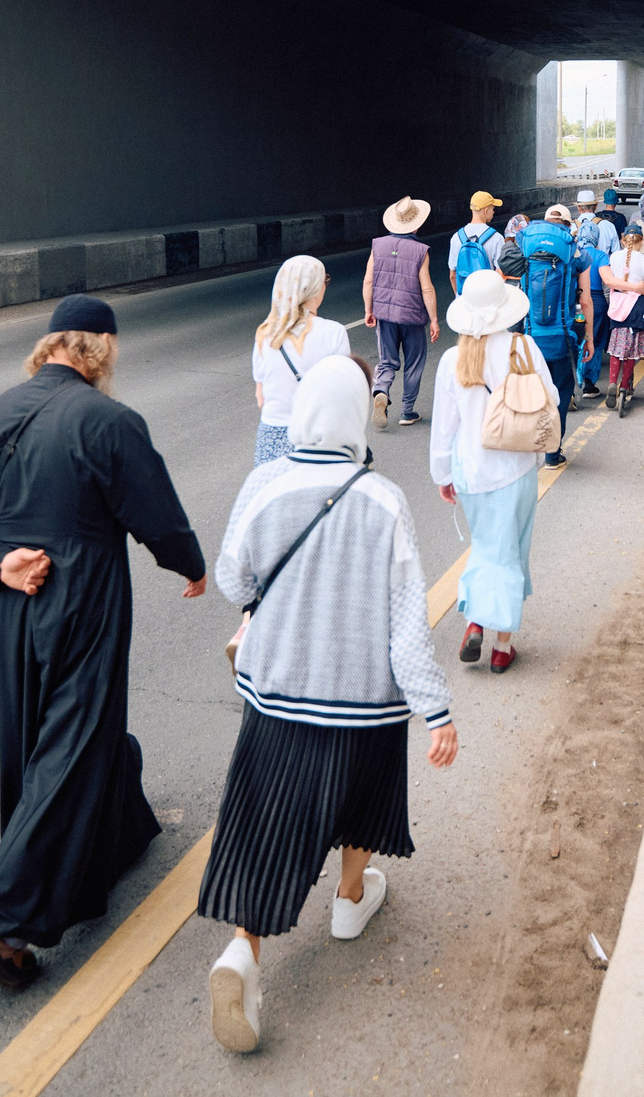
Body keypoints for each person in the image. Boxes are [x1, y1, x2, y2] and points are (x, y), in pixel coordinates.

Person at [0, 295, 209, 990]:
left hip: (16, 599)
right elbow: (158, 518)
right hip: (85, 595)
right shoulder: (108, 421)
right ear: (99, 348)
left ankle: (117, 835)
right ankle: (2, 926)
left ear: (48, 348)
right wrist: (191, 566)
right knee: (70, 743)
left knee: (41, 733)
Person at [200, 359, 456, 1054]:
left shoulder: (264, 482)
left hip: (277, 692)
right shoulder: (383, 500)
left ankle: (244, 950)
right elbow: (407, 622)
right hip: (360, 700)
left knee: (267, 820)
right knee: (361, 793)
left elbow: (232, 580)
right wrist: (435, 710)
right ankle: (349, 898)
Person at [427, 269, 545, 672]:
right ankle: (501, 647)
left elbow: (445, 426)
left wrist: (443, 475)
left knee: (486, 546)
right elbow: (548, 399)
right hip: (516, 466)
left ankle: (475, 620)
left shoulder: (452, 359)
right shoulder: (524, 348)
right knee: (511, 551)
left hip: (471, 470)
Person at [500, 203, 588, 465]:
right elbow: (585, 301)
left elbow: (505, 278)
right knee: (561, 391)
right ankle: (552, 452)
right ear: (568, 224)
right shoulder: (574, 250)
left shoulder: (525, 244)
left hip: (530, 335)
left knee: (531, 389)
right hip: (561, 336)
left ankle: (528, 446)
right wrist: (590, 338)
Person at [252, 255, 352, 464]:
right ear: (315, 287)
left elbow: (261, 399)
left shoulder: (265, 334)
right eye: (324, 281)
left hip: (272, 437)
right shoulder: (334, 333)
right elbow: (343, 396)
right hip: (318, 437)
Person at [362, 197, 440, 428]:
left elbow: (368, 281)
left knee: (387, 360)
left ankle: (381, 390)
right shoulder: (420, 250)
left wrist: (369, 309)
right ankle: (407, 412)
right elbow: (427, 288)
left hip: (384, 313)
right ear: (417, 224)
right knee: (414, 362)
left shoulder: (377, 245)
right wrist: (434, 319)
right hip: (412, 316)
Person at [598, 224, 644, 414]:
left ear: (624, 240)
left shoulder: (614, 257)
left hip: (617, 306)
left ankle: (612, 382)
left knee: (617, 347)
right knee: (632, 351)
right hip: (636, 308)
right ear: (641, 241)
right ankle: (624, 386)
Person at [572, 218, 611, 401]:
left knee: (576, 339)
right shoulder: (601, 255)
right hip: (597, 302)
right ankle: (589, 383)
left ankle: (573, 382)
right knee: (594, 340)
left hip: (575, 300)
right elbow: (607, 281)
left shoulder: (574, 253)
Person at [447, 191, 505, 296]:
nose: (493, 212)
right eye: (493, 209)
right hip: (487, 296)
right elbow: (500, 273)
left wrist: (458, 296)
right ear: (486, 210)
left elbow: (452, 275)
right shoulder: (496, 238)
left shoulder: (456, 237)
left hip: (465, 297)